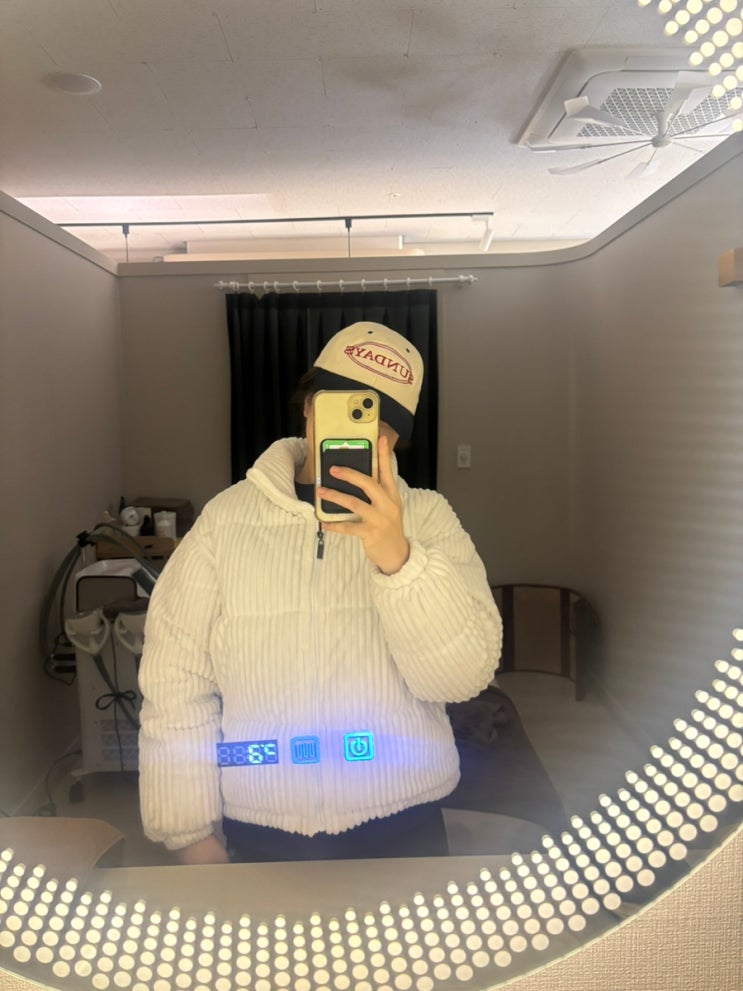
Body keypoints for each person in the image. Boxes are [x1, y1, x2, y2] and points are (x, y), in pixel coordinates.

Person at [138, 321, 502, 864]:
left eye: (382, 420)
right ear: (309, 407)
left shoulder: (427, 518)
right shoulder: (224, 521)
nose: (364, 433)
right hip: (260, 823)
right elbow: (176, 677)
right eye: (347, 408)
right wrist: (189, 833)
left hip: (405, 819)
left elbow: (462, 678)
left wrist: (399, 560)